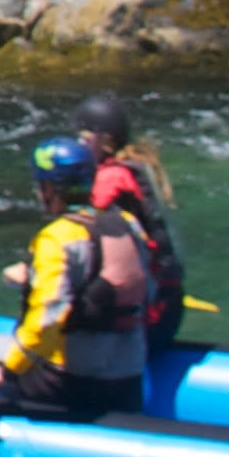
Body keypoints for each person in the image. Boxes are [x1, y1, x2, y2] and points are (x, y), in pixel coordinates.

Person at [0, 136, 162, 422]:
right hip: (128, 378)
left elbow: (47, 319)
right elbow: (140, 286)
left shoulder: (56, 238)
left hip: (70, 381)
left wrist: (8, 370)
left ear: (50, 189)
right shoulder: (129, 224)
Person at [74, 90, 184, 356]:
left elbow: (77, 227)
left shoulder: (112, 178)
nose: (77, 145)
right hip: (169, 307)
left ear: (103, 140)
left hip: (151, 320)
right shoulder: (138, 166)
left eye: (83, 138)